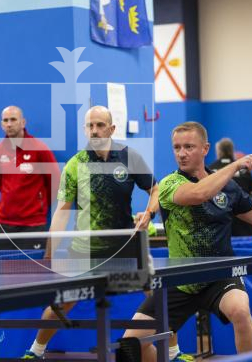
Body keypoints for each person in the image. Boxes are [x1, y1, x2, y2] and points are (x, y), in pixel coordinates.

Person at [124, 121, 252, 361]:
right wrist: (235, 165)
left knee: (240, 311)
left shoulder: (228, 188)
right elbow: (199, 193)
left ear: (205, 149)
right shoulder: (171, 184)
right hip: (180, 279)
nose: (181, 153)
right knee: (131, 343)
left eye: (189, 146)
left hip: (220, 274)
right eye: (177, 147)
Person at [22, 106, 159, 359]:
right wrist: (50, 252)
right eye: (90, 126)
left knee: (156, 297)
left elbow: (155, 189)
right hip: (85, 249)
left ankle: (173, 350)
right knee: (63, 303)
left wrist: (148, 213)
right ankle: (35, 351)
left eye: (100, 125)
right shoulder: (75, 164)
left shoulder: (129, 157)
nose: (94, 130)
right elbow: (62, 211)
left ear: (112, 128)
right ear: (85, 129)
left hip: (124, 245)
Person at [0, 106, 61, 250]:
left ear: (23, 122)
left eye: (13, 119)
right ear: (1, 124)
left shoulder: (39, 149)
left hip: (33, 225)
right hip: (5, 224)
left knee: (32, 271)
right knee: (2, 269)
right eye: (5, 120)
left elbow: (55, 181)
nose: (9, 124)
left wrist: (40, 204)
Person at [209, 138, 252, 236]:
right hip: (244, 221)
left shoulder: (210, 169)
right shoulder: (243, 168)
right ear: (232, 150)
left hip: (219, 223)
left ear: (218, 151)